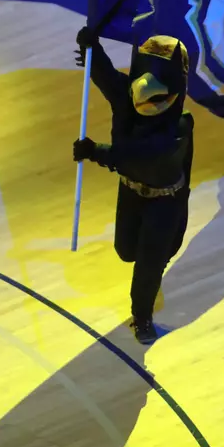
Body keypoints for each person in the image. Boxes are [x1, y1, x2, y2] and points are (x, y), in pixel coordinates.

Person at [73, 27, 194, 346]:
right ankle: (149, 277)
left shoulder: (177, 131)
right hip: (131, 190)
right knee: (125, 251)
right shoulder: (128, 98)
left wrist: (95, 152)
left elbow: (136, 155)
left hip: (164, 201)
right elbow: (107, 79)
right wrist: (91, 49)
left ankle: (142, 317)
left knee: (148, 263)